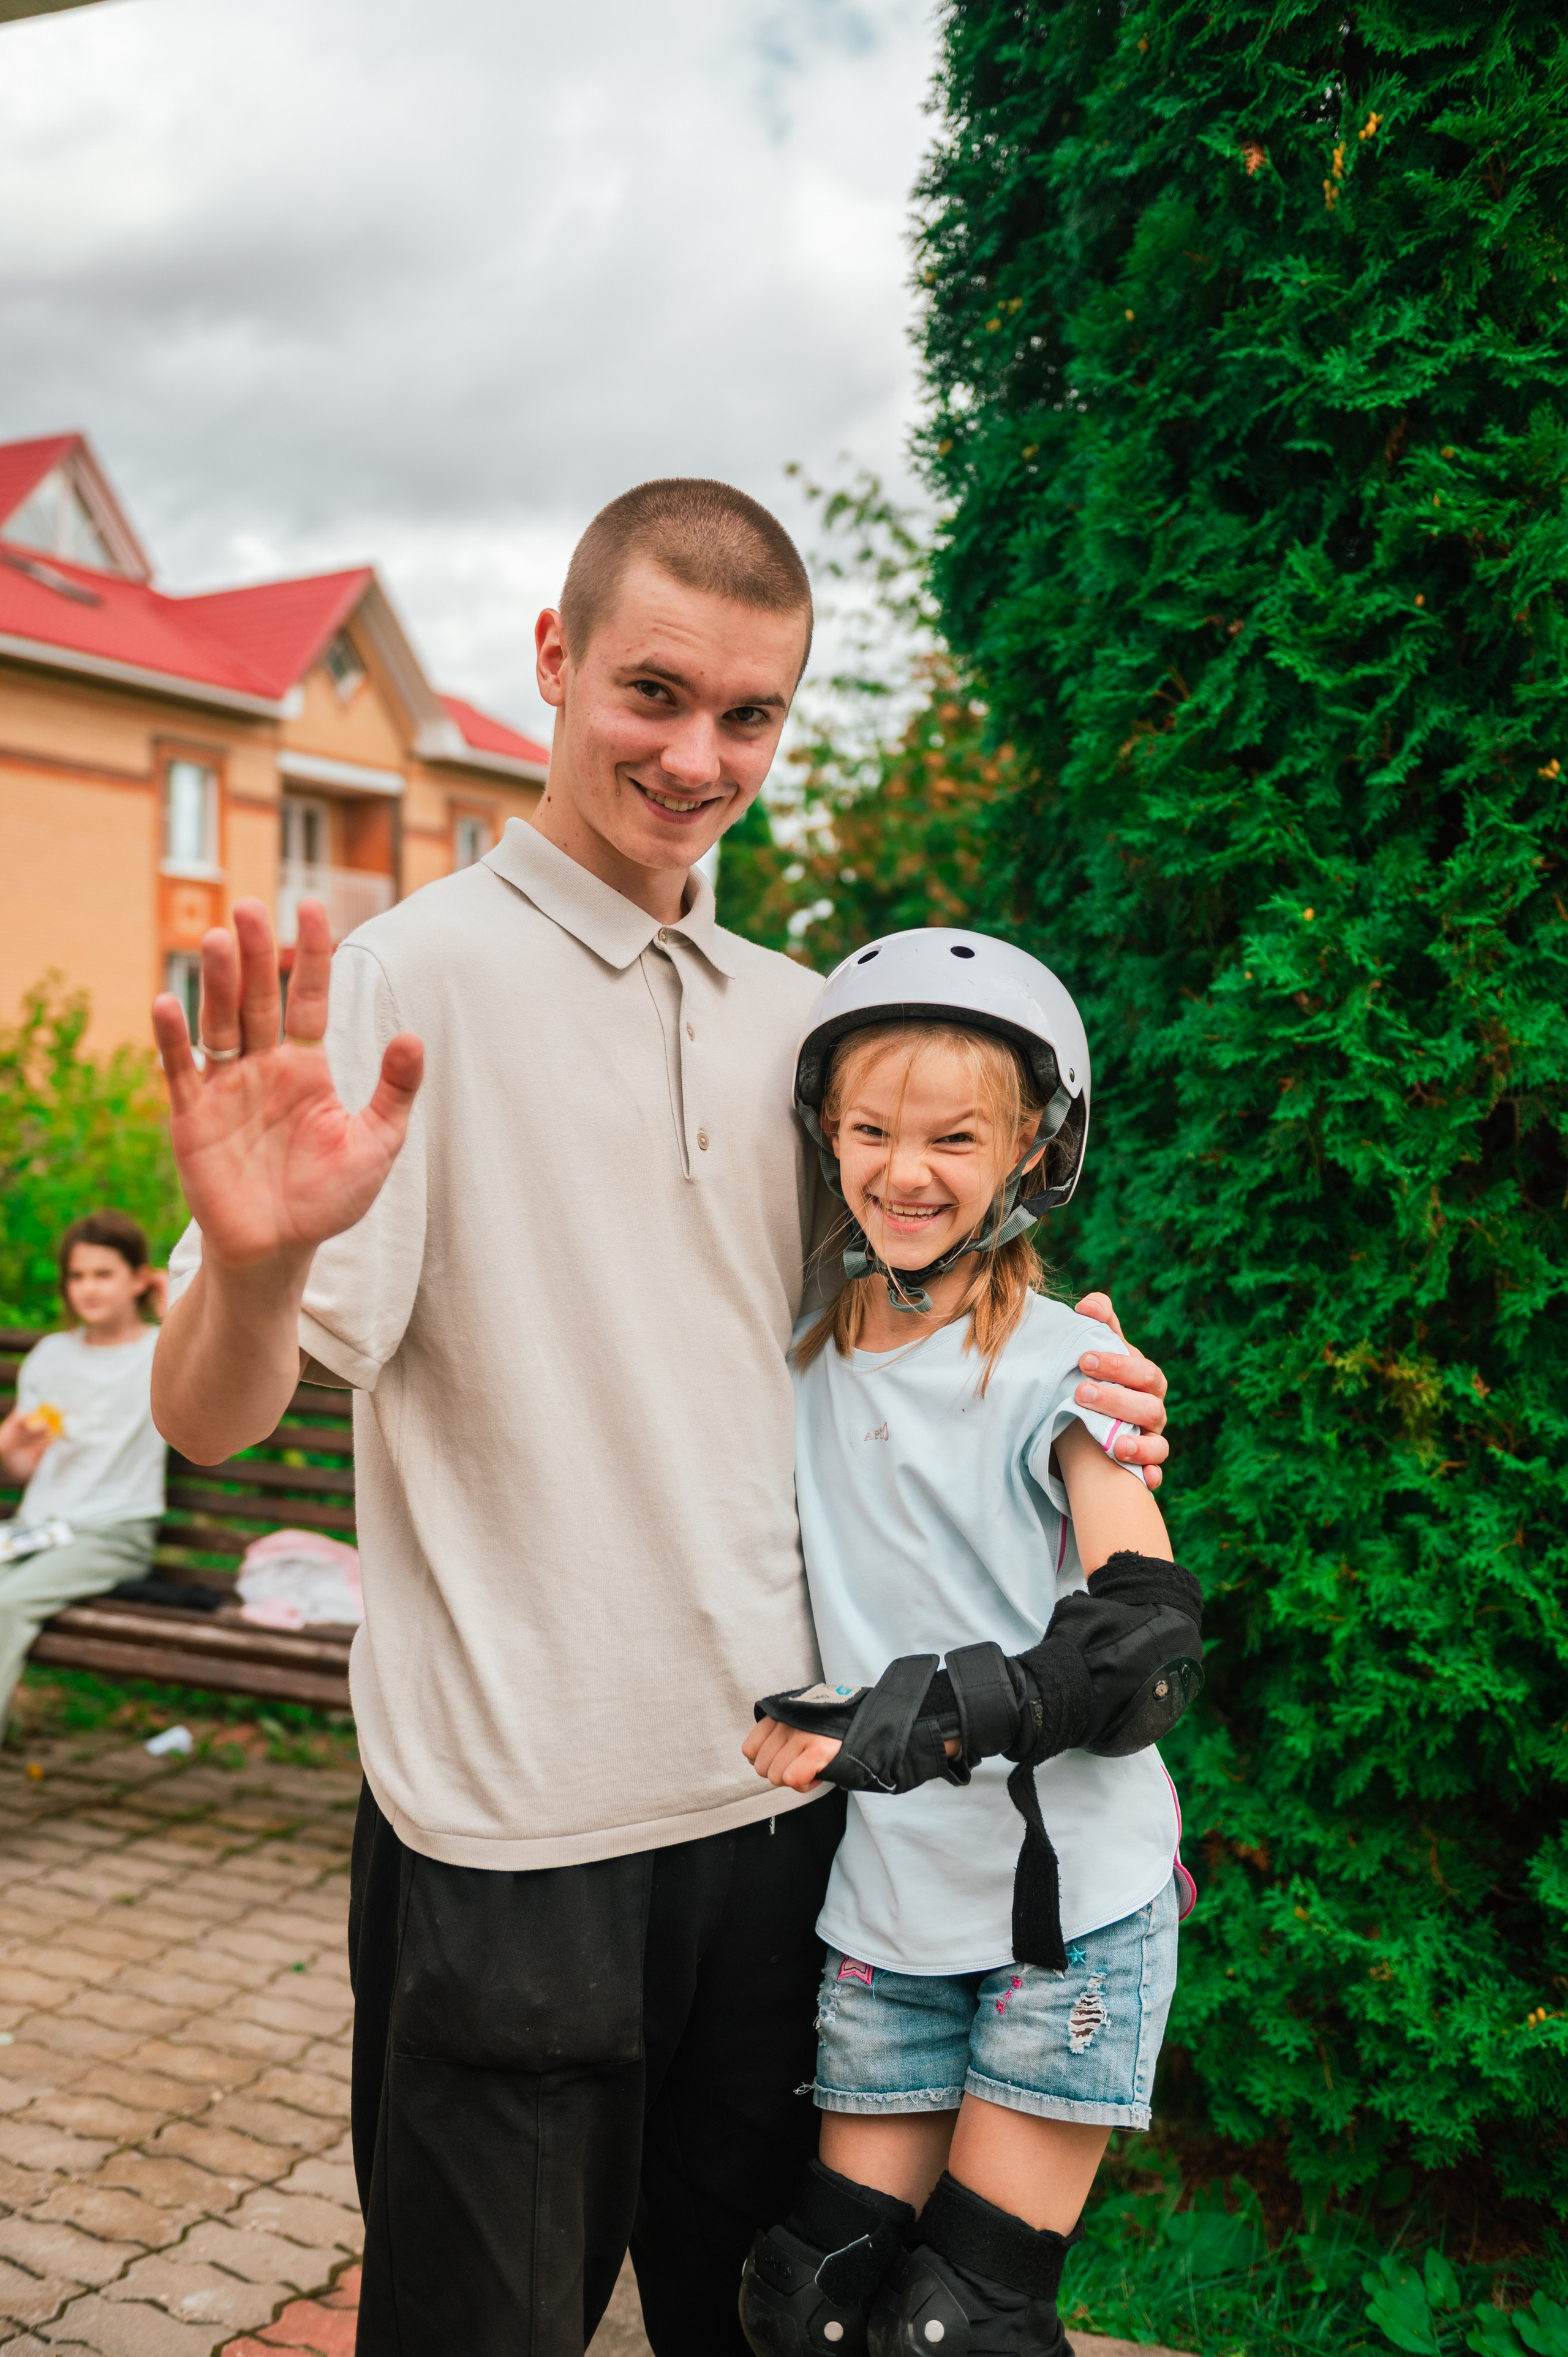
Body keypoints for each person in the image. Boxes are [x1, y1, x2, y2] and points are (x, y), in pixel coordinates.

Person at [148, 478, 1174, 2357]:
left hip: (789, 1824)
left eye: (749, 714)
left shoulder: (809, 1028)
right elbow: (216, 1424)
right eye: (650, 691)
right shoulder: (405, 986)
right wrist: (248, 1263)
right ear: (551, 658)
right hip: (509, 1837)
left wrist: (1074, 1378)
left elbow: (908, 1348)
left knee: (774, 2326)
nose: (696, 755)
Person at [739, 933, 1200, 2357]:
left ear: (1028, 1151)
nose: (905, 1169)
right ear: (826, 1135)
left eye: (954, 1136)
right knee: (803, 2301)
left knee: (958, 2327)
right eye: (869, 1130)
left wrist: (929, 1706)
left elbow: (1139, 1643)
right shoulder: (800, 1341)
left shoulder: (1066, 1362)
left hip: (1058, 1923)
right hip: (886, 1910)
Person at [0, 1210, 168, 1729]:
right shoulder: (52, 1355)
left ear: (140, 1278)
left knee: (9, 1603)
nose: (87, 1289)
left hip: (112, 1530)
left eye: (103, 1274)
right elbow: (20, 1471)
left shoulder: (161, 1351)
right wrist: (13, 1446)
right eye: (77, 1276)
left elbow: (224, 1371)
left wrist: (175, 1312)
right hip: (39, 1527)